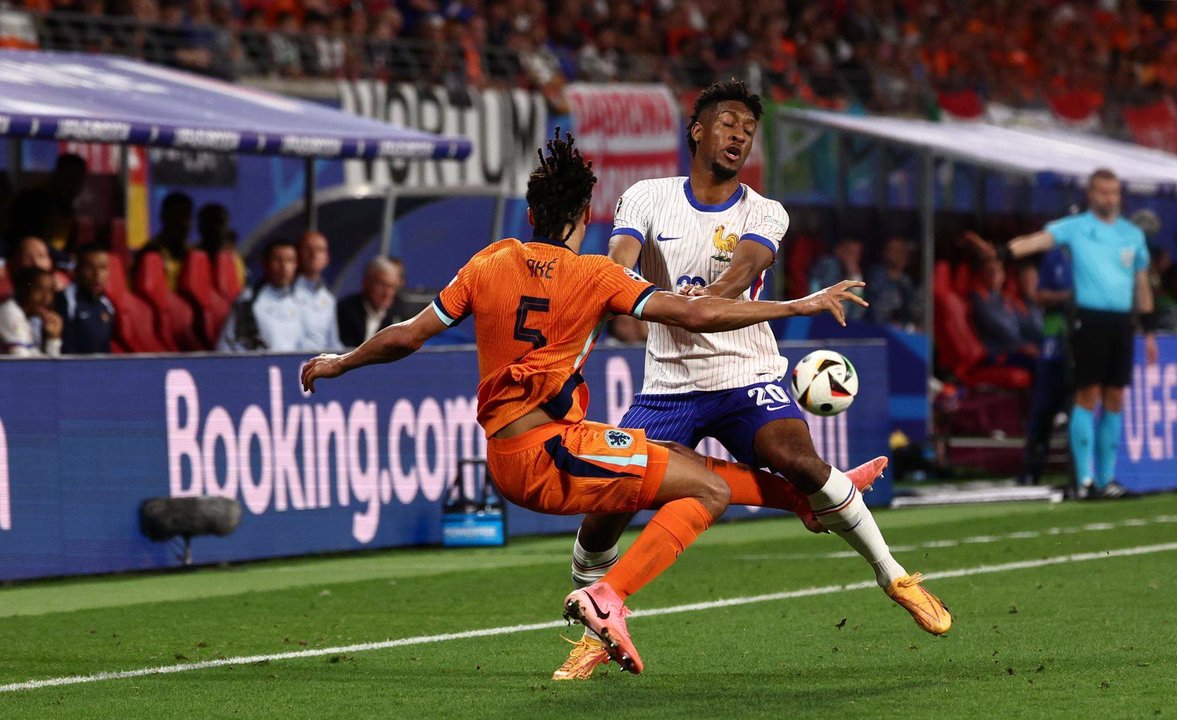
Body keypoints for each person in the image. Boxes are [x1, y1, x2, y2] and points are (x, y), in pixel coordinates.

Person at [301, 129, 894, 676]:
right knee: (708, 490)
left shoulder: (488, 262)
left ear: (531, 214)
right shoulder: (595, 276)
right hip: (551, 454)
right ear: (585, 217)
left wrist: (339, 362)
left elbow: (407, 334)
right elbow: (698, 313)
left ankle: (812, 500)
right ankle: (606, 599)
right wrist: (796, 306)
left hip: (515, 454)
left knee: (708, 477)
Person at [554, 80, 949, 681]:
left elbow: (743, 272)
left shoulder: (764, 211)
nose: (739, 135)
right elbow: (620, 265)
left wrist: (696, 300)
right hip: (668, 385)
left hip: (747, 375)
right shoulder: (646, 197)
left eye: (748, 129)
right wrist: (618, 288)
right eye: (728, 122)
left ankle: (894, 575)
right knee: (606, 507)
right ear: (697, 130)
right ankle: (595, 627)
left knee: (801, 463)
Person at [968, 168, 1157, 499]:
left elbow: (1142, 284)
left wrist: (1150, 330)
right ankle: (1084, 480)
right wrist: (1001, 254)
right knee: (1087, 395)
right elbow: (1037, 241)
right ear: (1091, 194)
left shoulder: (1132, 234)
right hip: (1089, 320)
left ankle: (1107, 479)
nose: (1108, 198)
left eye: (1113, 192)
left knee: (1115, 398)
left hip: (1121, 324)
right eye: (1102, 192)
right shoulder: (1077, 227)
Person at [1018, 246, 1073, 486]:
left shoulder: (1098, 251)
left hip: (1084, 340)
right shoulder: (1055, 257)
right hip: (1054, 342)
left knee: (1078, 408)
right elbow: (1039, 295)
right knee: (1044, 407)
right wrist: (1068, 297)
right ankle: (1032, 468)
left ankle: (1080, 471)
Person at [217, 239, 309, 352]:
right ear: (265, 264)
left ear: (296, 265)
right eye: (277, 260)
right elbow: (226, 345)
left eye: (289, 260)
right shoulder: (248, 300)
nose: (284, 266)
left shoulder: (303, 301)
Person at [4, 153, 88, 266]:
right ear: (57, 176)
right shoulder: (33, 201)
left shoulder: (67, 209)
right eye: (69, 179)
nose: (73, 186)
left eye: (78, 181)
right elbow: (30, 243)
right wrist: (66, 258)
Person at [969, 258, 1039, 369]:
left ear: (1003, 275)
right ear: (983, 274)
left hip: (1018, 348)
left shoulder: (1005, 298)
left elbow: (1024, 322)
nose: (994, 276)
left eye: (998, 271)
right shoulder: (980, 298)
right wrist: (1023, 345)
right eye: (990, 272)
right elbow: (1000, 327)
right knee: (1043, 363)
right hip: (1001, 352)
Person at [336, 256, 408, 348]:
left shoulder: (399, 313)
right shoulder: (346, 311)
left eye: (392, 287)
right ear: (366, 283)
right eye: (382, 285)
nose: (387, 293)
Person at [55, 245, 115, 354]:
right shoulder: (65, 301)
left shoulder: (107, 305)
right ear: (77, 270)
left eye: (103, 268)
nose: (97, 274)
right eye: (90, 268)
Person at [294, 230, 343, 351]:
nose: (314, 254)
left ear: (327, 258)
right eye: (308, 249)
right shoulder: (286, 291)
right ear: (297, 254)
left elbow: (333, 342)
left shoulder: (328, 298)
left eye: (320, 250)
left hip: (319, 363)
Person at [0, 267, 63, 357]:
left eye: (50, 291)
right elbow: (23, 363)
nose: (46, 298)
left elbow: (50, 366)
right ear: (22, 289)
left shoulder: (33, 318)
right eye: (40, 290)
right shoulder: (9, 311)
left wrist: (53, 338)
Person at [139, 191, 195, 290]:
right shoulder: (150, 253)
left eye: (187, 217)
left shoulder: (193, 254)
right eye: (177, 217)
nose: (184, 223)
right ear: (164, 217)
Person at [809, 237, 866, 321]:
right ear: (839, 250)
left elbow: (858, 313)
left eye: (856, 255)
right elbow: (813, 293)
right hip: (820, 319)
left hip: (846, 323)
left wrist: (854, 275)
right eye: (849, 253)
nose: (852, 259)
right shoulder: (827, 265)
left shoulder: (856, 273)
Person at [197, 202, 247, 289]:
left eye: (221, 223)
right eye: (211, 223)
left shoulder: (234, 260)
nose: (216, 229)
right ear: (201, 227)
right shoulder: (188, 256)